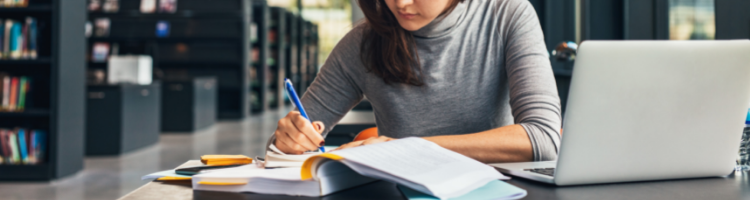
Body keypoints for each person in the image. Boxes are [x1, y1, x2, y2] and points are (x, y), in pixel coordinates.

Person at [271, 0, 561, 163]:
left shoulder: (507, 15)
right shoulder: (361, 44)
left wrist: (404, 147)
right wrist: (287, 141)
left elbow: (543, 138)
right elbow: (282, 148)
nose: (401, 3)